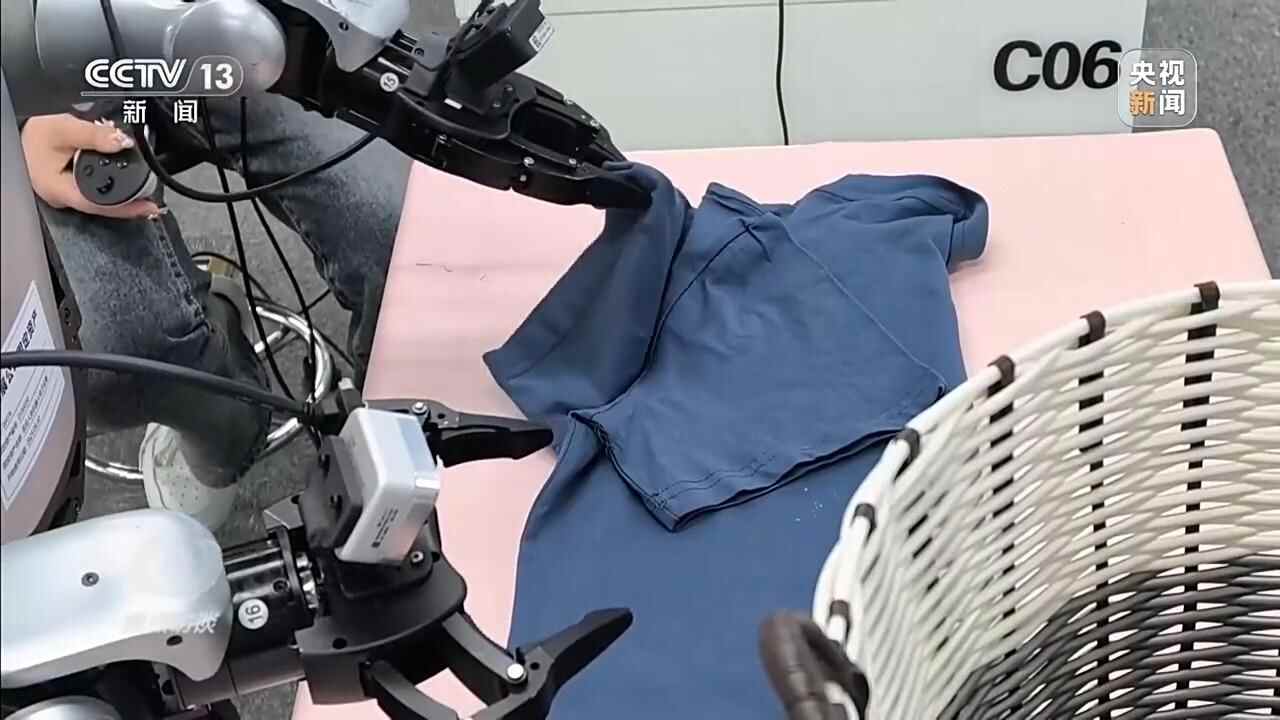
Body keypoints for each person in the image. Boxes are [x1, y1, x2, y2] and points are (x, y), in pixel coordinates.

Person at [21, 95, 411, 531]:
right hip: (48, 96)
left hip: (219, 68)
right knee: (115, 356)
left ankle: (389, 445)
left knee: (398, 229)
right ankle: (224, 438)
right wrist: (18, 126)